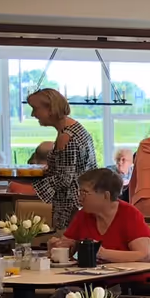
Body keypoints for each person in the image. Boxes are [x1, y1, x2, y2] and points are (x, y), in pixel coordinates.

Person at [26, 88, 96, 231]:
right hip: (82, 202)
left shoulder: (66, 137)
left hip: (70, 207)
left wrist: (33, 183)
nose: (33, 114)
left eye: (35, 109)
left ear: (50, 109)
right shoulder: (76, 129)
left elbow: (64, 179)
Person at [58, 168, 150, 263]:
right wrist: (59, 247)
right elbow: (67, 244)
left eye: (84, 193)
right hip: (90, 272)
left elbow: (144, 255)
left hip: (126, 272)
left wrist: (102, 253)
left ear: (106, 195)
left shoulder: (129, 214)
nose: (79, 198)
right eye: (80, 192)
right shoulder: (83, 214)